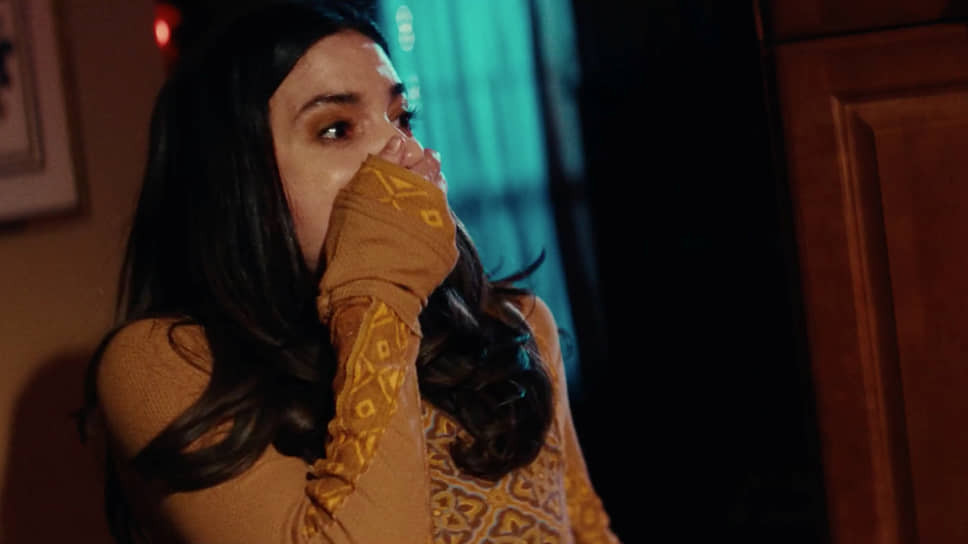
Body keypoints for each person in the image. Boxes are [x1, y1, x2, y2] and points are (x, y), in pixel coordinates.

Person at [72, 1, 620, 542]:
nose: (404, 153)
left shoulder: (511, 327)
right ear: (237, 181)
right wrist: (379, 288)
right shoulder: (167, 364)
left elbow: (587, 530)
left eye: (401, 119)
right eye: (336, 129)